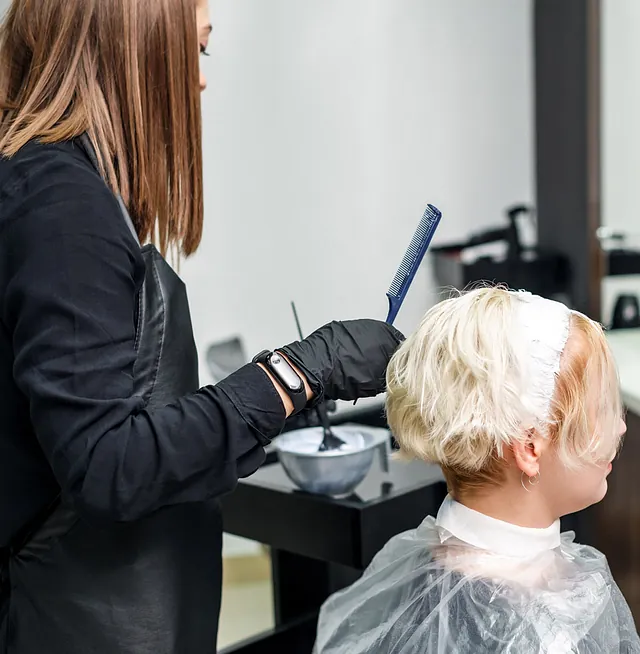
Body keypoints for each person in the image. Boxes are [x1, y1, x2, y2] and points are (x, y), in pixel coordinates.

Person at [0, 1, 403, 653]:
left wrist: (284, 406)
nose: (201, 78)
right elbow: (110, 465)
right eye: (197, 50)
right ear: (131, 50)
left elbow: (118, 413)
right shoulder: (63, 212)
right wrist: (297, 371)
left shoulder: (51, 184)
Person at [314, 287, 640, 653]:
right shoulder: (531, 636)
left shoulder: (420, 569)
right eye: (601, 411)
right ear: (530, 448)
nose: (621, 428)